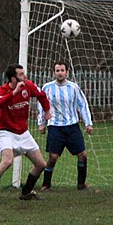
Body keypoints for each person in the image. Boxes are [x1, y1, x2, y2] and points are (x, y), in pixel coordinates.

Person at [0, 65, 52, 202]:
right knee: (7, 161)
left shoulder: (28, 85)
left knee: (41, 164)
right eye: (21, 74)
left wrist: (47, 111)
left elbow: (42, 96)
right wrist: (14, 93)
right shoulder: (2, 90)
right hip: (5, 131)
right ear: (13, 78)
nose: (25, 76)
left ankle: (26, 192)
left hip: (23, 132)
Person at [38, 61, 94, 191]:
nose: (60, 73)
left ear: (67, 72)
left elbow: (82, 105)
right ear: (54, 72)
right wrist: (41, 123)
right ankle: (46, 184)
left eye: (62, 70)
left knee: (82, 155)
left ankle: (81, 184)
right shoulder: (47, 87)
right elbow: (41, 106)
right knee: (53, 157)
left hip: (72, 126)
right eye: (57, 71)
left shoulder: (74, 87)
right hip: (55, 127)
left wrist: (88, 123)